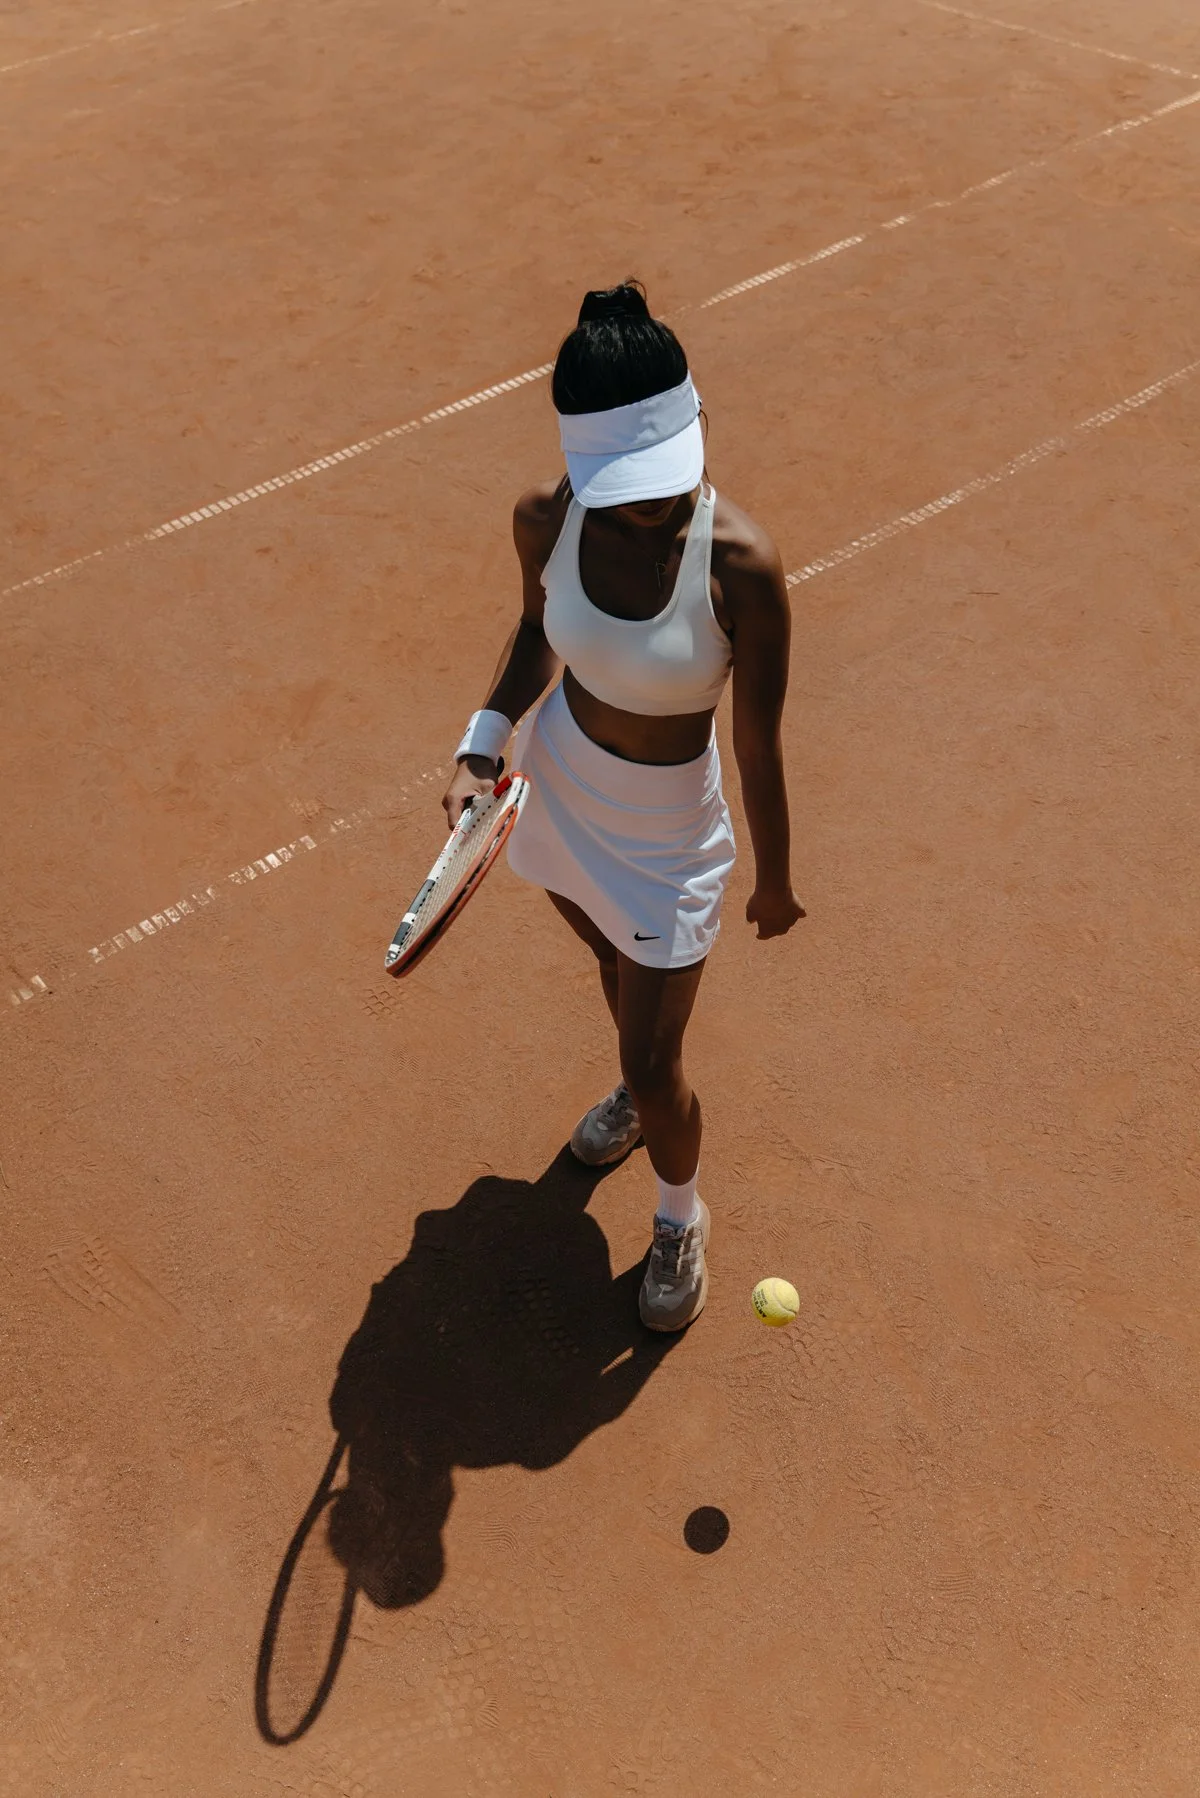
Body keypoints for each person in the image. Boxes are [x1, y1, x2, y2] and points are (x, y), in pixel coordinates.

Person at [441, 282, 803, 1332]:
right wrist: (481, 741)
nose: (652, 506)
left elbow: (757, 740)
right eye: (627, 488)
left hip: (669, 842)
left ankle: (680, 1212)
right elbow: (535, 634)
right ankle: (643, 1110)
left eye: (665, 480)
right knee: (609, 970)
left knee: (656, 1060)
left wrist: (773, 879)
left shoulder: (742, 565)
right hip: (558, 800)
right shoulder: (544, 518)